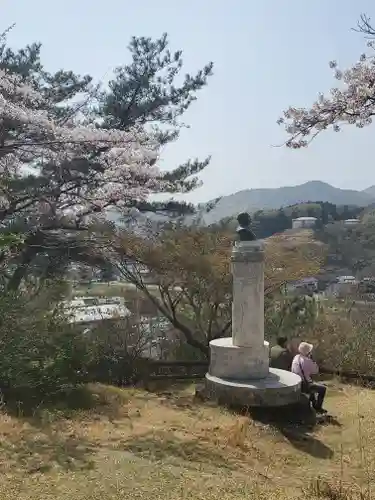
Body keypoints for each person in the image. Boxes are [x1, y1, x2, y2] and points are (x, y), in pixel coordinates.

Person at [291, 342, 327, 414]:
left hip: (297, 383)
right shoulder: (307, 361)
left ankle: (313, 405)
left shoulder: (296, 357)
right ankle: (318, 408)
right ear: (307, 352)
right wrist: (312, 360)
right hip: (305, 385)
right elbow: (316, 371)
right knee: (323, 389)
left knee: (311, 383)